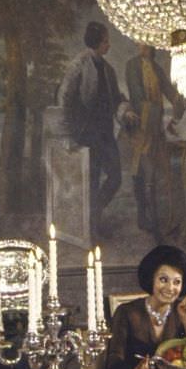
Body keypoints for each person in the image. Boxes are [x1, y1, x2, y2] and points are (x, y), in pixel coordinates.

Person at [57, 21, 138, 239]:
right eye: (105, 40)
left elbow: (117, 100)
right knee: (91, 182)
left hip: (105, 133)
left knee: (115, 178)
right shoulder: (79, 65)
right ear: (96, 41)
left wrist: (125, 113)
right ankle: (90, 229)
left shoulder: (108, 70)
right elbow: (64, 97)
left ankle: (93, 216)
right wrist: (67, 133)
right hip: (86, 132)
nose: (108, 44)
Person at [103, 244, 186, 369]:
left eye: (177, 282)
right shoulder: (126, 312)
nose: (170, 288)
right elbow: (113, 365)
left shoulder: (182, 313)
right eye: (163, 279)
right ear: (151, 278)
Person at [125, 43, 184, 240]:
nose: (143, 47)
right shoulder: (132, 65)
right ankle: (145, 216)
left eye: (147, 44)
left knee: (153, 174)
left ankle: (156, 222)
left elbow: (168, 89)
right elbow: (137, 95)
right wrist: (152, 114)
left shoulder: (157, 68)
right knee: (140, 171)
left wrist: (177, 99)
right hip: (140, 126)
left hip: (155, 127)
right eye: (140, 43)